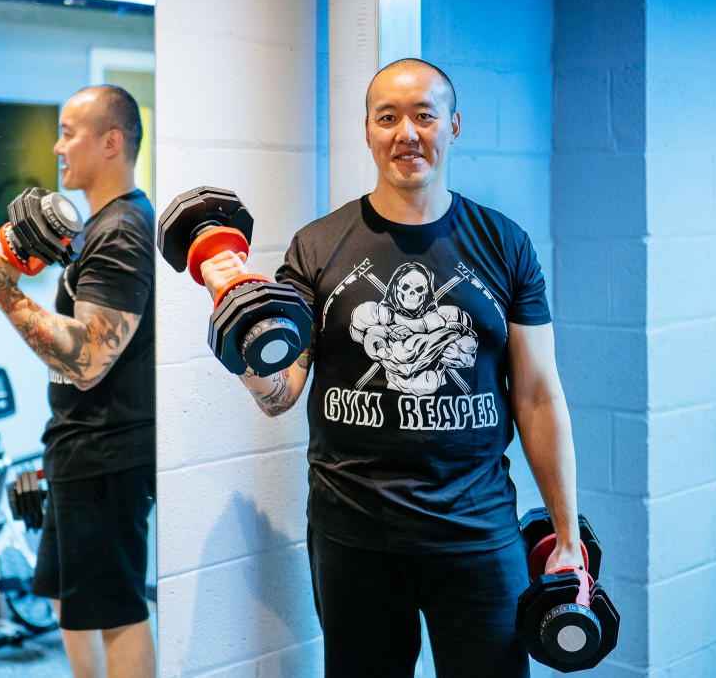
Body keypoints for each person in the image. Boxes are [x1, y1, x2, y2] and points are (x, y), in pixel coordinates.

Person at [200, 58, 582, 677]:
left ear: (453, 126)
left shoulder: (504, 245)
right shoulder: (317, 247)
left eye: (424, 115)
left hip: (478, 531)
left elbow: (538, 397)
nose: (407, 132)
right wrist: (237, 322)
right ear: (369, 132)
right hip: (355, 538)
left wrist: (566, 536)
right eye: (388, 117)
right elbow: (280, 394)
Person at [0, 85, 156, 678]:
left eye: (69, 132)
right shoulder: (98, 229)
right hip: (81, 444)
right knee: (70, 602)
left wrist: (2, 290)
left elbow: (87, 360)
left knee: (115, 610)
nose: (57, 146)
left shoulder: (122, 230)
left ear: (111, 142)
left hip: (107, 449)